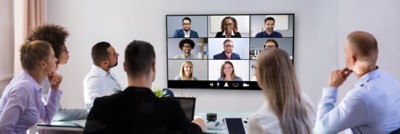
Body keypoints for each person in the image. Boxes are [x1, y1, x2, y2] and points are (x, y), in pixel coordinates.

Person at [84, 40, 206, 133]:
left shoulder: (100, 107)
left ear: (125, 66)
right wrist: (198, 125)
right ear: (153, 66)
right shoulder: (171, 109)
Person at [314, 31, 400, 133]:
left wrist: (332, 87)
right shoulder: (390, 80)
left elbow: (320, 131)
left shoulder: (360, 98)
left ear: (353, 59)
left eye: (345, 51)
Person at [27, 24, 88, 121]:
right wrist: (91, 112)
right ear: (52, 52)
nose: (68, 53)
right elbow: (57, 115)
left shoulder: (41, 74)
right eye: (64, 49)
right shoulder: (40, 78)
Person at [0, 41, 62, 133]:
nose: (56, 60)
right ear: (43, 64)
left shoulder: (32, 86)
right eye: (53, 57)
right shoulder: (24, 88)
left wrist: (54, 88)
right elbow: (4, 129)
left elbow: (46, 118)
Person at [247, 48, 314, 134]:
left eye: (255, 68)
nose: (254, 72)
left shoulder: (258, 121)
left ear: (262, 74)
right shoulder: (305, 101)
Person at [83, 41, 122, 112]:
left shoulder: (110, 75)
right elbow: (94, 106)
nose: (117, 55)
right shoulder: (94, 79)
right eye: (114, 54)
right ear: (105, 63)